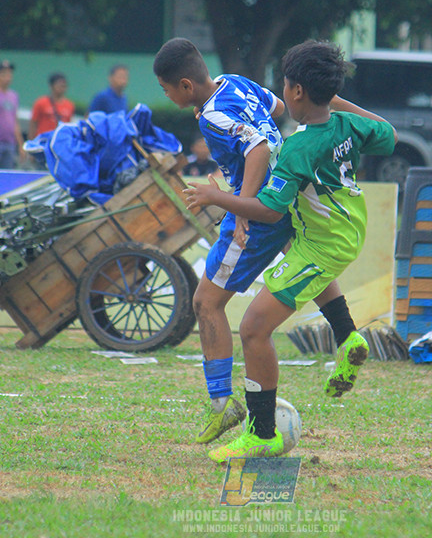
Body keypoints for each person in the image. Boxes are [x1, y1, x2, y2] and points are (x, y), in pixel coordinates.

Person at [154, 38, 369, 460]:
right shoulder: (233, 82)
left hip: (260, 205)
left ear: (184, 85)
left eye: (166, 91)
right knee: (298, 249)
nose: (166, 97)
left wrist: (244, 209)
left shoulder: (213, 114)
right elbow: (275, 111)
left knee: (207, 302)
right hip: (290, 191)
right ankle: (346, 335)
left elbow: (255, 148)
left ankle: (223, 405)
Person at [29, 72, 75, 139]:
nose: (61, 88)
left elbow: (68, 125)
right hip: (42, 141)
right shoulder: (41, 102)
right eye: (59, 85)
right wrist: (31, 140)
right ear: (51, 86)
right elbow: (33, 123)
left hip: (59, 142)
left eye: (64, 86)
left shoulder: (70, 105)